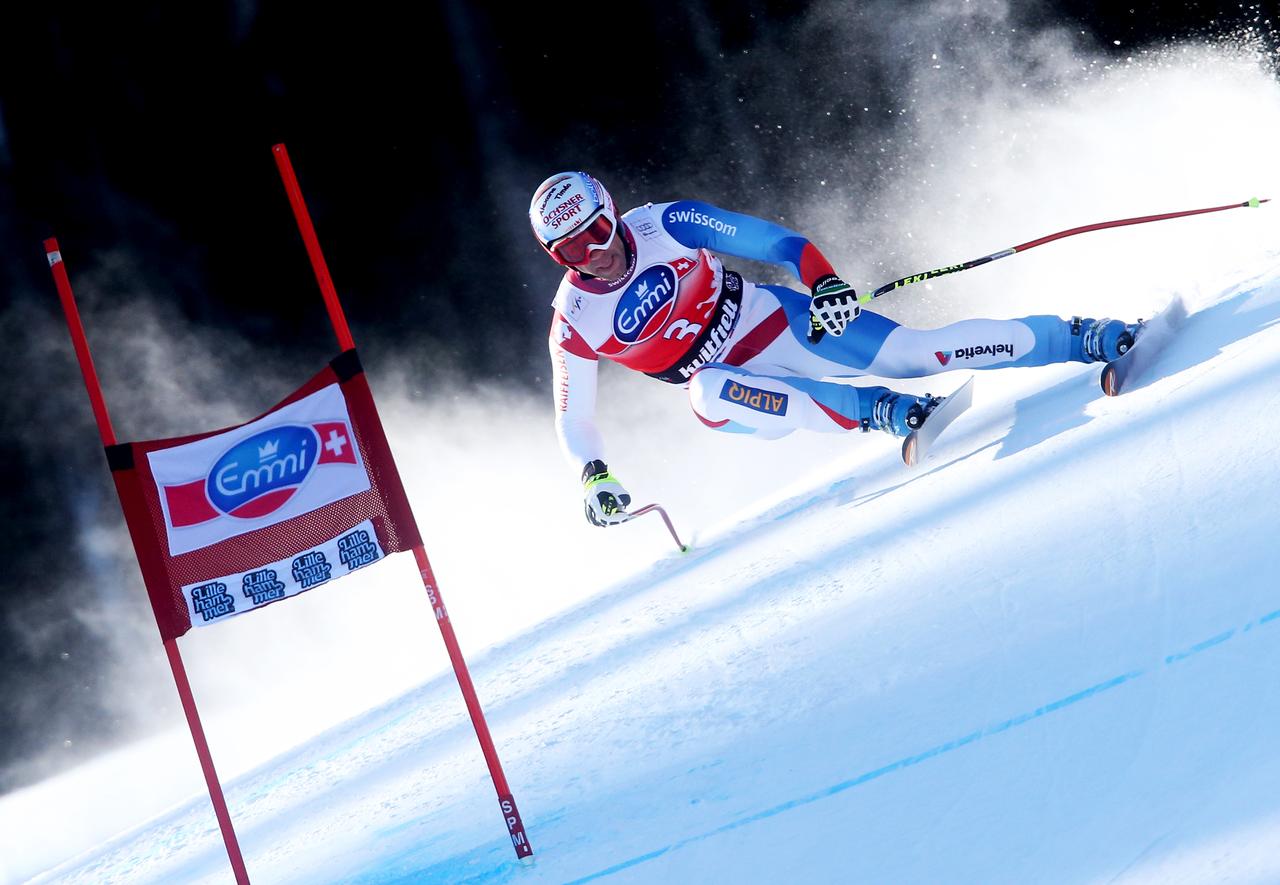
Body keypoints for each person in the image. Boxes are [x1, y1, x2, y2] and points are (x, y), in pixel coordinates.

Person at [530, 171, 1138, 527]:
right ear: (558, 260)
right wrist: (592, 477)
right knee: (705, 391)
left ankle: (1083, 336)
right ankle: (881, 411)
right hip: (741, 396)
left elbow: (775, 242)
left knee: (918, 354)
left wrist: (822, 281)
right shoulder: (575, 320)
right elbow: (573, 415)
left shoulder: (665, 223)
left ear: (613, 214)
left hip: (777, 320)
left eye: (598, 233)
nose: (596, 254)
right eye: (573, 251)